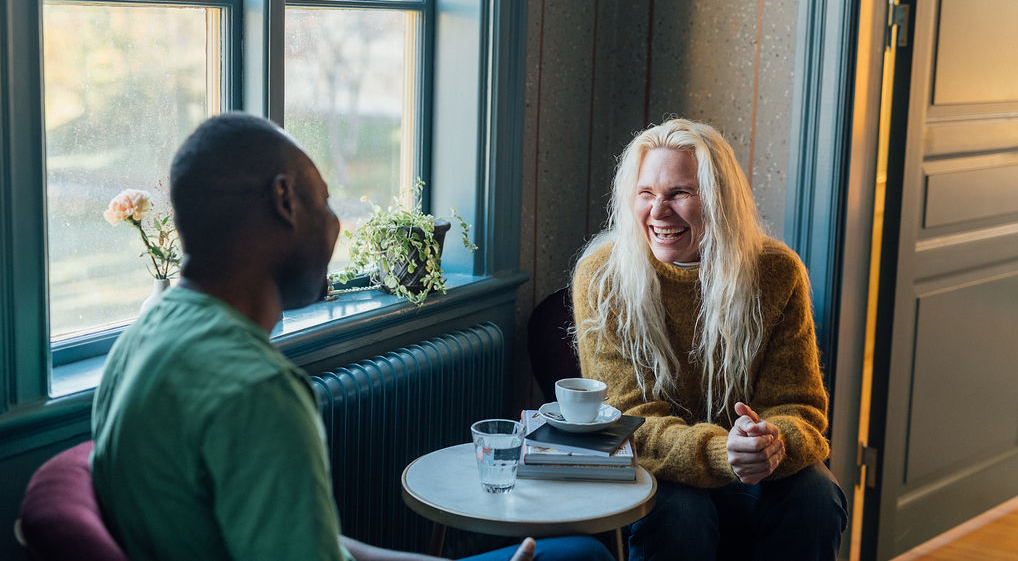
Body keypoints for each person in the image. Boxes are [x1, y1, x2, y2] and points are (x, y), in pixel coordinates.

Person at [91, 113, 612, 561]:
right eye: (326, 201)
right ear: (285, 200)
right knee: (585, 553)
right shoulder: (256, 392)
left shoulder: (148, 330)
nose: (338, 226)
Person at [571, 118, 848, 560]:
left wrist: (770, 441)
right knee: (682, 514)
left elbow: (800, 407)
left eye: (680, 193)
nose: (659, 212)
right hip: (662, 470)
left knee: (817, 496)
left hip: (758, 469)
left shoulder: (776, 273)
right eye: (646, 194)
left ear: (720, 200)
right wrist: (724, 452)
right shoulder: (604, 277)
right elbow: (628, 421)